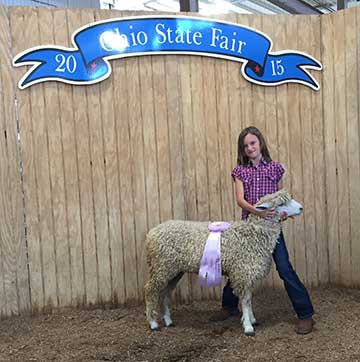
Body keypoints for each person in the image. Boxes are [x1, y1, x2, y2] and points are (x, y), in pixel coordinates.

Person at [210, 126, 314, 335]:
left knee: (284, 268)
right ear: (243, 149)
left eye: (253, 143)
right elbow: (240, 200)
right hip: (249, 230)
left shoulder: (275, 168)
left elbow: (281, 198)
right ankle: (229, 307)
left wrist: (283, 214)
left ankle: (305, 314)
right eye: (245, 145)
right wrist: (257, 212)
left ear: (260, 143)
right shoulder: (240, 171)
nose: (250, 148)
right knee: (239, 268)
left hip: (271, 230)